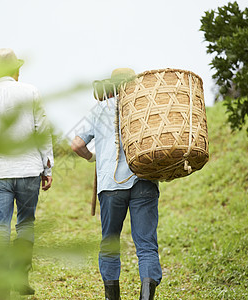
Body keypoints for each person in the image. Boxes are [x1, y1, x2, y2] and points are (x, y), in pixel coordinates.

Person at [71, 68, 161, 300]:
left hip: (110, 186)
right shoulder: (147, 107)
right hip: (143, 181)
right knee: (146, 245)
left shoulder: (101, 109)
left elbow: (76, 145)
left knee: (110, 242)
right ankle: (146, 295)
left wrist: (93, 158)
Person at [0, 48, 54, 299]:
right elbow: (42, 129)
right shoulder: (31, 92)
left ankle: (2, 291)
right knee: (26, 223)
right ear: (17, 70)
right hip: (29, 169)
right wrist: (47, 168)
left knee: (0, 229)